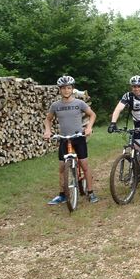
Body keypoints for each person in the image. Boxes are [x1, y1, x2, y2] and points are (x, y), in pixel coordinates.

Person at [43, 75, 99, 204]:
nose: (66, 90)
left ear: (72, 89)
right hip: (64, 138)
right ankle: (62, 195)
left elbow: (92, 115)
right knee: (62, 167)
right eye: (63, 88)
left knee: (84, 165)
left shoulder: (79, 103)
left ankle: (90, 192)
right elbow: (48, 119)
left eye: (68, 88)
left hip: (78, 138)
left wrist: (89, 127)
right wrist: (47, 130)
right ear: (60, 90)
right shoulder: (55, 105)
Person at [108, 75, 140, 165]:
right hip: (136, 122)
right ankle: (139, 169)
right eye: (134, 86)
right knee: (137, 151)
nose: (136, 89)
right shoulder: (128, 96)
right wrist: (113, 123)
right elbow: (118, 109)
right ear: (131, 87)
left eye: (139, 86)